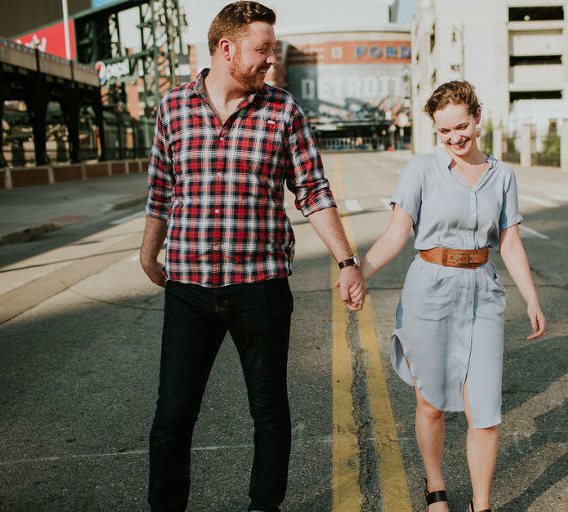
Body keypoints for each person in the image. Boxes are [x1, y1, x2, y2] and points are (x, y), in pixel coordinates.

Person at [139, 2, 365, 511]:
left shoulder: (283, 110)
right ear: (227, 48)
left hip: (260, 288)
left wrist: (347, 262)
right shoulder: (173, 108)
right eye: (262, 50)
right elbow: (161, 190)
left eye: (273, 51)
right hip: (190, 289)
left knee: (268, 411)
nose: (270, 62)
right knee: (173, 416)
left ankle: (264, 507)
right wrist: (149, 253)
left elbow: (313, 190)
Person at [353, 81, 545, 512]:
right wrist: (358, 273)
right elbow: (396, 235)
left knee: (486, 408)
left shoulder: (503, 175)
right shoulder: (421, 171)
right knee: (432, 402)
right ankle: (435, 487)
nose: (455, 138)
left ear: (477, 118)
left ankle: (482, 504)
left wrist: (531, 298)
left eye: (461, 127)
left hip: (483, 290)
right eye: (444, 132)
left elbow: (510, 242)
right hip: (431, 289)